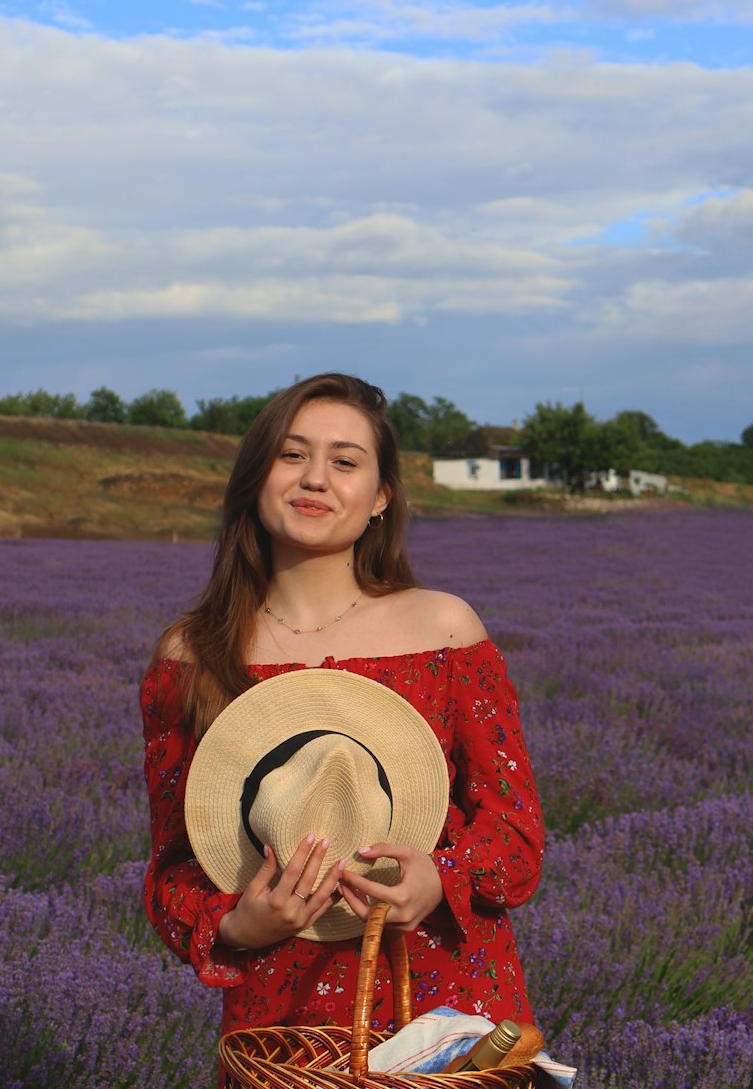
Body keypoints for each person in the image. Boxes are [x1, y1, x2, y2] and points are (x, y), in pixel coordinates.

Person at [140, 372, 544, 1050]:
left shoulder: (443, 629)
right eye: (291, 455)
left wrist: (439, 880)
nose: (315, 479)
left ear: (381, 496)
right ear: (255, 477)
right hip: (283, 1026)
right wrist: (241, 926)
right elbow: (174, 873)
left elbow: (517, 837)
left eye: (345, 461)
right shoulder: (192, 655)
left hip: (445, 1005)